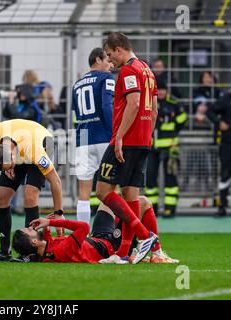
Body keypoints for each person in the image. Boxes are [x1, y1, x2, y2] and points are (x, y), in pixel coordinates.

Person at [95, 32, 159, 265]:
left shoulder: (129, 70)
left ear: (119, 48)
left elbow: (133, 103)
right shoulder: (147, 69)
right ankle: (124, 253)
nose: (111, 61)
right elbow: (153, 110)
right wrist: (147, 135)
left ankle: (144, 236)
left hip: (126, 141)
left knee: (102, 191)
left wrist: (120, 137)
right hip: (142, 140)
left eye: (111, 56)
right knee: (130, 194)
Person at [0, 119, 64, 262]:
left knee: (30, 195)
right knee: (0, 199)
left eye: (12, 164)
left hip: (41, 141)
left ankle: (31, 253)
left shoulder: (35, 152)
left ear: (13, 155)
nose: (12, 167)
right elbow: (4, 160)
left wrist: (58, 214)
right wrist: (8, 168)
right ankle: (4, 251)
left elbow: (56, 181)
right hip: (19, 145)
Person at [12, 196, 179, 264]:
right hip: (110, 246)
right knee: (142, 202)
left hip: (98, 237)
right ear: (34, 241)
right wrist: (50, 222)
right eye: (28, 230)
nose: (30, 227)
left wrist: (49, 225)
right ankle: (157, 253)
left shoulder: (45, 251)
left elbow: (45, 243)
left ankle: (138, 250)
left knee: (107, 199)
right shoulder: (60, 251)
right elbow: (83, 227)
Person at [72, 48, 115, 225]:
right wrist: (115, 132)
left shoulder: (77, 84)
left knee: (84, 192)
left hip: (83, 139)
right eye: (108, 60)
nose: (111, 64)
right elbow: (107, 106)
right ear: (97, 59)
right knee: (111, 190)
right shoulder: (106, 78)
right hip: (104, 137)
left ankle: (82, 237)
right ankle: (106, 234)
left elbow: (75, 116)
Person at [145, 79, 187, 217]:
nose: (161, 92)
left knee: (170, 179)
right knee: (150, 178)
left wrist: (172, 130)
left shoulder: (174, 104)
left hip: (169, 147)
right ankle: (152, 209)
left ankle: (170, 209)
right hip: (152, 148)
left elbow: (182, 121)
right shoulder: (149, 104)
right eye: (159, 90)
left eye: (163, 90)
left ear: (167, 91)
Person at [206, 73, 231, 217]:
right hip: (228, 144)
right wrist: (218, 123)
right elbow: (210, 111)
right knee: (225, 175)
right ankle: (221, 207)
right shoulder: (227, 99)